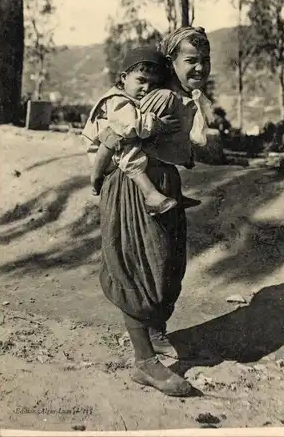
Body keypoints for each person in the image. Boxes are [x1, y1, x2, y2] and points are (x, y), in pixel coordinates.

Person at [97, 26, 211, 397]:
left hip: (164, 183)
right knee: (141, 267)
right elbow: (115, 138)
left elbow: (200, 146)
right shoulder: (158, 98)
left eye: (203, 60)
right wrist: (97, 178)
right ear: (172, 61)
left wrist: (197, 106)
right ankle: (145, 361)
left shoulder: (181, 99)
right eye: (190, 60)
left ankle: (155, 333)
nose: (199, 67)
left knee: (166, 265)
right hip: (136, 187)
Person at [82, 47, 198, 216]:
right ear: (124, 78)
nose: (146, 88)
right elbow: (131, 124)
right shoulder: (116, 100)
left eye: (153, 84)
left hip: (115, 144)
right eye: (141, 81)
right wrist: (158, 125)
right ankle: (150, 194)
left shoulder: (135, 98)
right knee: (128, 145)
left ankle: (175, 193)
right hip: (105, 153)